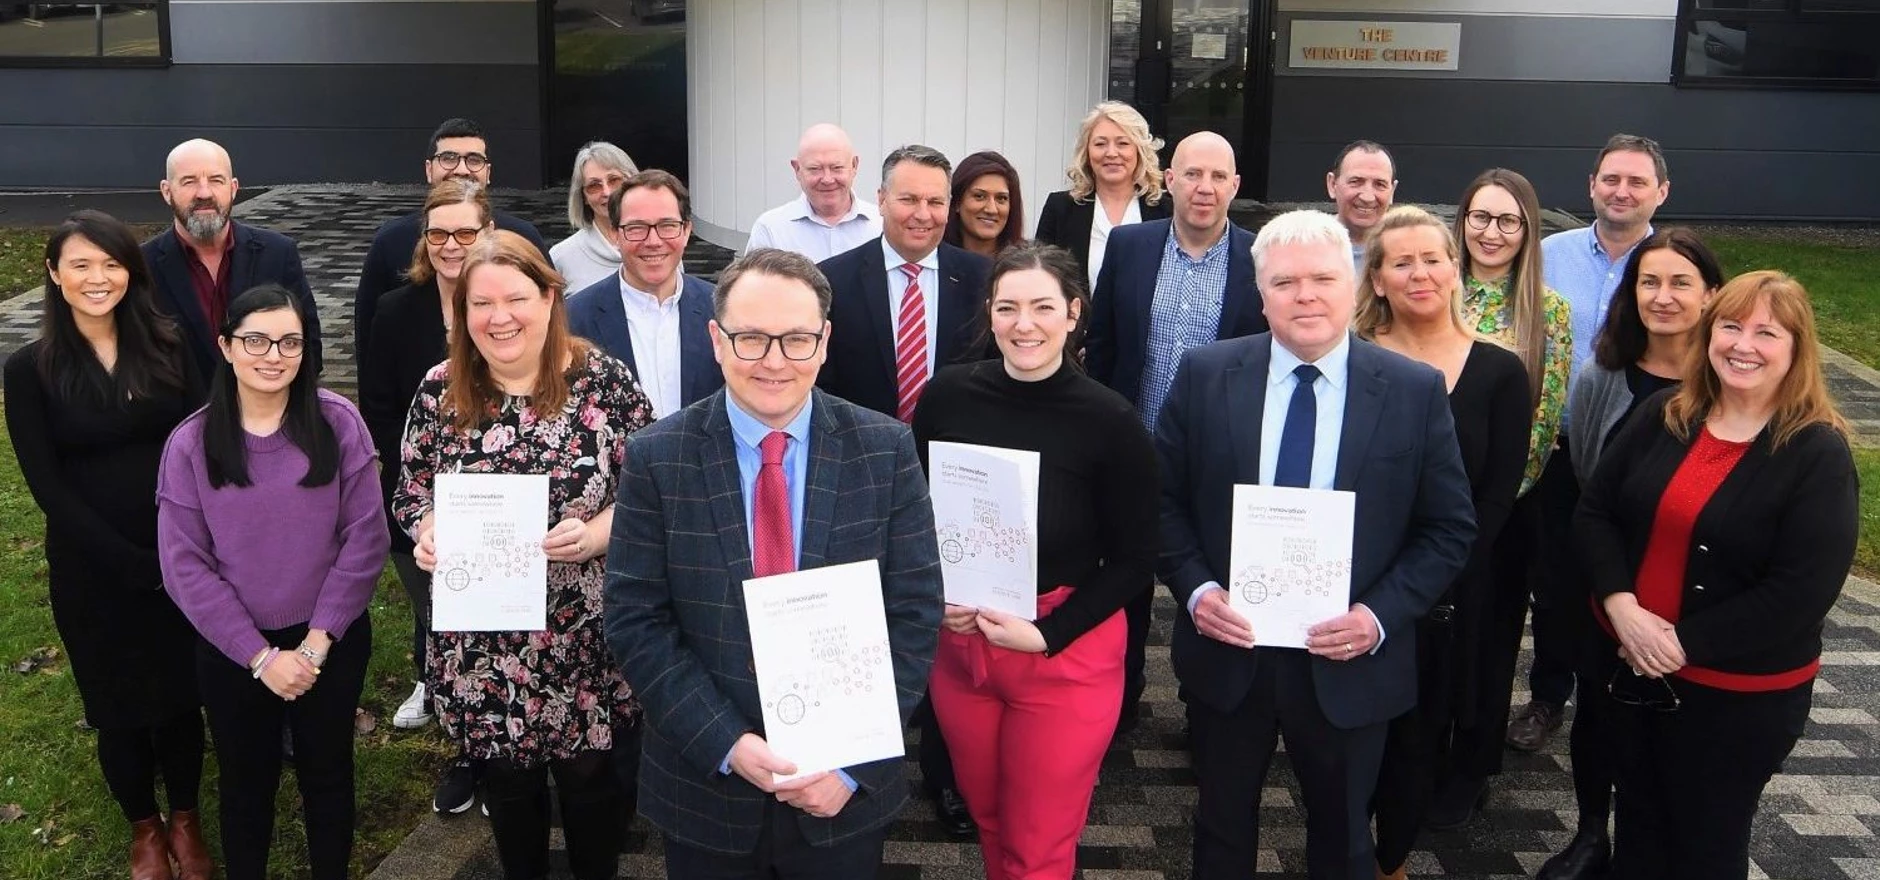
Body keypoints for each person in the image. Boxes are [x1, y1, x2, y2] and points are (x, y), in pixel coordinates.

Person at [603, 247, 943, 880]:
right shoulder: (657, 458)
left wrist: (852, 766)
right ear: (716, 338)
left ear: (824, 341)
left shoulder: (885, 449)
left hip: (842, 797)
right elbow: (636, 620)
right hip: (707, 791)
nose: (774, 361)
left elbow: (915, 614)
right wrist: (726, 742)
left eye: (795, 340)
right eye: (752, 338)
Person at [1158, 209, 1474, 880]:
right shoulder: (1205, 373)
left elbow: (1449, 529)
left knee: (1343, 836)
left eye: (1323, 278)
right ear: (1260, 293)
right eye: (1285, 281)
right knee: (1219, 828)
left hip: (1349, 659)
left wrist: (1378, 617)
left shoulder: (1413, 392)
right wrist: (1196, 589)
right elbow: (1162, 503)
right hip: (1230, 650)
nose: (1305, 295)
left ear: (1354, 282)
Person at [1576, 270, 1856, 880]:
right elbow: (1595, 512)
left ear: (1796, 349)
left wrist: (1679, 643)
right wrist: (1622, 606)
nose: (1743, 344)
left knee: (1705, 842)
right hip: (1627, 669)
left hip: (1733, 699)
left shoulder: (1816, 454)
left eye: (1767, 332)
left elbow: (1801, 590)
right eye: (1730, 326)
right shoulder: (1664, 414)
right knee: (1641, 826)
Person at [395, 231, 652, 880]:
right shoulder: (439, 392)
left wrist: (597, 535)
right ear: (461, 311)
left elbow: (654, 495)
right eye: (481, 302)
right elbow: (411, 491)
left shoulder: (603, 382)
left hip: (584, 641)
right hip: (484, 649)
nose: (499, 316)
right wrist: (426, 530)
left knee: (594, 793)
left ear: (548, 296)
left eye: (516, 297)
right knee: (510, 797)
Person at [910, 243, 1157, 880]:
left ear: (1073, 313)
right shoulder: (945, 398)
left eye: (1044, 306)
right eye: (1009, 307)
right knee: (990, 819)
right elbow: (915, 516)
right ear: (989, 313)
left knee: (1040, 842)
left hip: (1065, 648)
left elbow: (1135, 560)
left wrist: (1047, 634)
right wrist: (934, 597)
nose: (1025, 324)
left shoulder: (1110, 420)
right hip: (962, 645)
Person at [156, 284, 388, 880]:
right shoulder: (191, 443)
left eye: (289, 341)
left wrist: (315, 644)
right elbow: (185, 566)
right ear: (226, 346)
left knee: (328, 769)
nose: (273, 354)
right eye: (255, 339)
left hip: (327, 640)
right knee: (244, 778)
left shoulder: (339, 424)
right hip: (235, 648)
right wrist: (260, 658)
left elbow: (365, 539)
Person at [5, 211, 211, 880]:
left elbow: (205, 446)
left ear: (132, 271)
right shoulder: (27, 370)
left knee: (182, 696)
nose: (99, 278)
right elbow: (47, 485)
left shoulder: (172, 344)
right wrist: (130, 563)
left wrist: (178, 552)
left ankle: (184, 820)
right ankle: (145, 829)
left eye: (112, 263)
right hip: (92, 567)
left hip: (180, 554)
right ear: (54, 274)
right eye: (82, 265)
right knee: (118, 705)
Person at [1351, 207, 1529, 880]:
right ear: (1377, 280)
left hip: (1449, 590)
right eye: (1401, 262)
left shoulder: (1500, 372)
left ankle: (1390, 862)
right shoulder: (1351, 358)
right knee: (1350, 733)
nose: (1419, 274)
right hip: (1355, 581)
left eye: (1432, 259)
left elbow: (1496, 495)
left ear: (1455, 269)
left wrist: (1432, 578)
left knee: (1419, 734)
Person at [1542, 228, 1722, 880]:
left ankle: (1659, 837)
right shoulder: (1601, 377)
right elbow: (1586, 481)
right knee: (1599, 714)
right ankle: (1592, 833)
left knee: (1679, 735)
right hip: (1608, 581)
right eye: (1649, 281)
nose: (1662, 296)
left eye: (1680, 283)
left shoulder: (1732, 382)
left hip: (1693, 591)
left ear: (1712, 296)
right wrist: (1612, 592)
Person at [816, 144, 985, 834]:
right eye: (909, 199)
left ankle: (946, 777)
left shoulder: (983, 278)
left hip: (956, 490)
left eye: (936, 201)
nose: (923, 214)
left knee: (946, 627)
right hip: (858, 486)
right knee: (858, 626)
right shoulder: (830, 280)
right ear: (879, 201)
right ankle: (851, 763)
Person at [1082, 130, 1268, 737]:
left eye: (1218, 177)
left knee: (1211, 581)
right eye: (1192, 174)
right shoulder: (1131, 247)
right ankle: (1122, 699)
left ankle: (1202, 709)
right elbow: (1104, 344)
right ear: (1168, 181)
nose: (1204, 188)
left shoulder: (1259, 258)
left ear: (1236, 187)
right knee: (1126, 579)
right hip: (1134, 446)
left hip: (1220, 456)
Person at [1512, 135, 1672, 776]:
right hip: (1555, 451)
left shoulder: (1669, 264)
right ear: (1591, 186)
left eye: (1637, 182)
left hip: (1641, 456)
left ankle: (1628, 684)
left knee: (1631, 579)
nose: (1622, 191)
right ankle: (1549, 697)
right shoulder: (1549, 255)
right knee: (1555, 581)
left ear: (1661, 192)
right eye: (1611, 179)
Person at [1432, 167, 1574, 827]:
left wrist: (1484, 512)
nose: (1492, 232)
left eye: (1507, 220)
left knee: (1488, 643)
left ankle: (1472, 765)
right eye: (1480, 218)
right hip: (1425, 506)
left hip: (1504, 515)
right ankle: (1422, 751)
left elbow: (1544, 425)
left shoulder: (1547, 310)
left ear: (1527, 230)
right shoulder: (1434, 290)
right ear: (1461, 223)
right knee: (1431, 640)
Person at [356, 177, 493, 813]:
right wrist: (421, 495)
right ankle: (467, 753)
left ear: (488, 234)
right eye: (439, 233)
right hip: (424, 500)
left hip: (506, 499)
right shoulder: (394, 311)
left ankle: (510, 757)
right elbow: (379, 410)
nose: (451, 244)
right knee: (442, 626)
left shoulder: (510, 303)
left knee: (503, 628)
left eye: (466, 232)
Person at [354, 117, 549, 367]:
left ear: (488, 173)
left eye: (474, 160)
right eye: (448, 158)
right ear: (428, 169)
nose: (461, 169)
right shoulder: (389, 242)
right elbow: (369, 340)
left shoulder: (524, 238)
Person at [144, 138, 324, 379]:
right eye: (189, 181)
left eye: (216, 180)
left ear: (233, 188)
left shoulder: (278, 253)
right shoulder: (141, 264)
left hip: (266, 410)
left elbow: (308, 344)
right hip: (179, 414)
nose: (204, 192)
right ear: (167, 191)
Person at [567, 169, 723, 419]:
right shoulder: (573, 318)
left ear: (686, 231)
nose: (653, 241)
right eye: (636, 228)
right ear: (616, 234)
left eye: (667, 225)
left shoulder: (723, 310)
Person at [1034, 101, 1172, 289]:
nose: (1111, 153)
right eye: (1100, 144)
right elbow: (1039, 277)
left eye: (1123, 143)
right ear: (1087, 152)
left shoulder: (1165, 211)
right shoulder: (1060, 208)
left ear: (1139, 151)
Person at [746, 123, 882, 262]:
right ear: (797, 169)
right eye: (815, 169)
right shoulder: (770, 231)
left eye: (837, 168)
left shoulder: (883, 225)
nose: (827, 179)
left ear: (854, 166)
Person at [549, 140, 641, 291]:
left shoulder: (660, 247)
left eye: (614, 180)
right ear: (583, 196)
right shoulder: (562, 257)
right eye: (594, 185)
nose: (607, 192)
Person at [1325, 140, 1397, 267]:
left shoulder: (1409, 250)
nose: (1367, 197)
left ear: (1392, 191)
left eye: (1380, 184)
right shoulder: (1302, 246)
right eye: (1355, 182)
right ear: (1332, 185)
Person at [941, 150, 1025, 258]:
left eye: (1001, 198)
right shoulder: (933, 260)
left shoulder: (1027, 266)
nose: (991, 209)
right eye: (979, 196)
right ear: (956, 201)